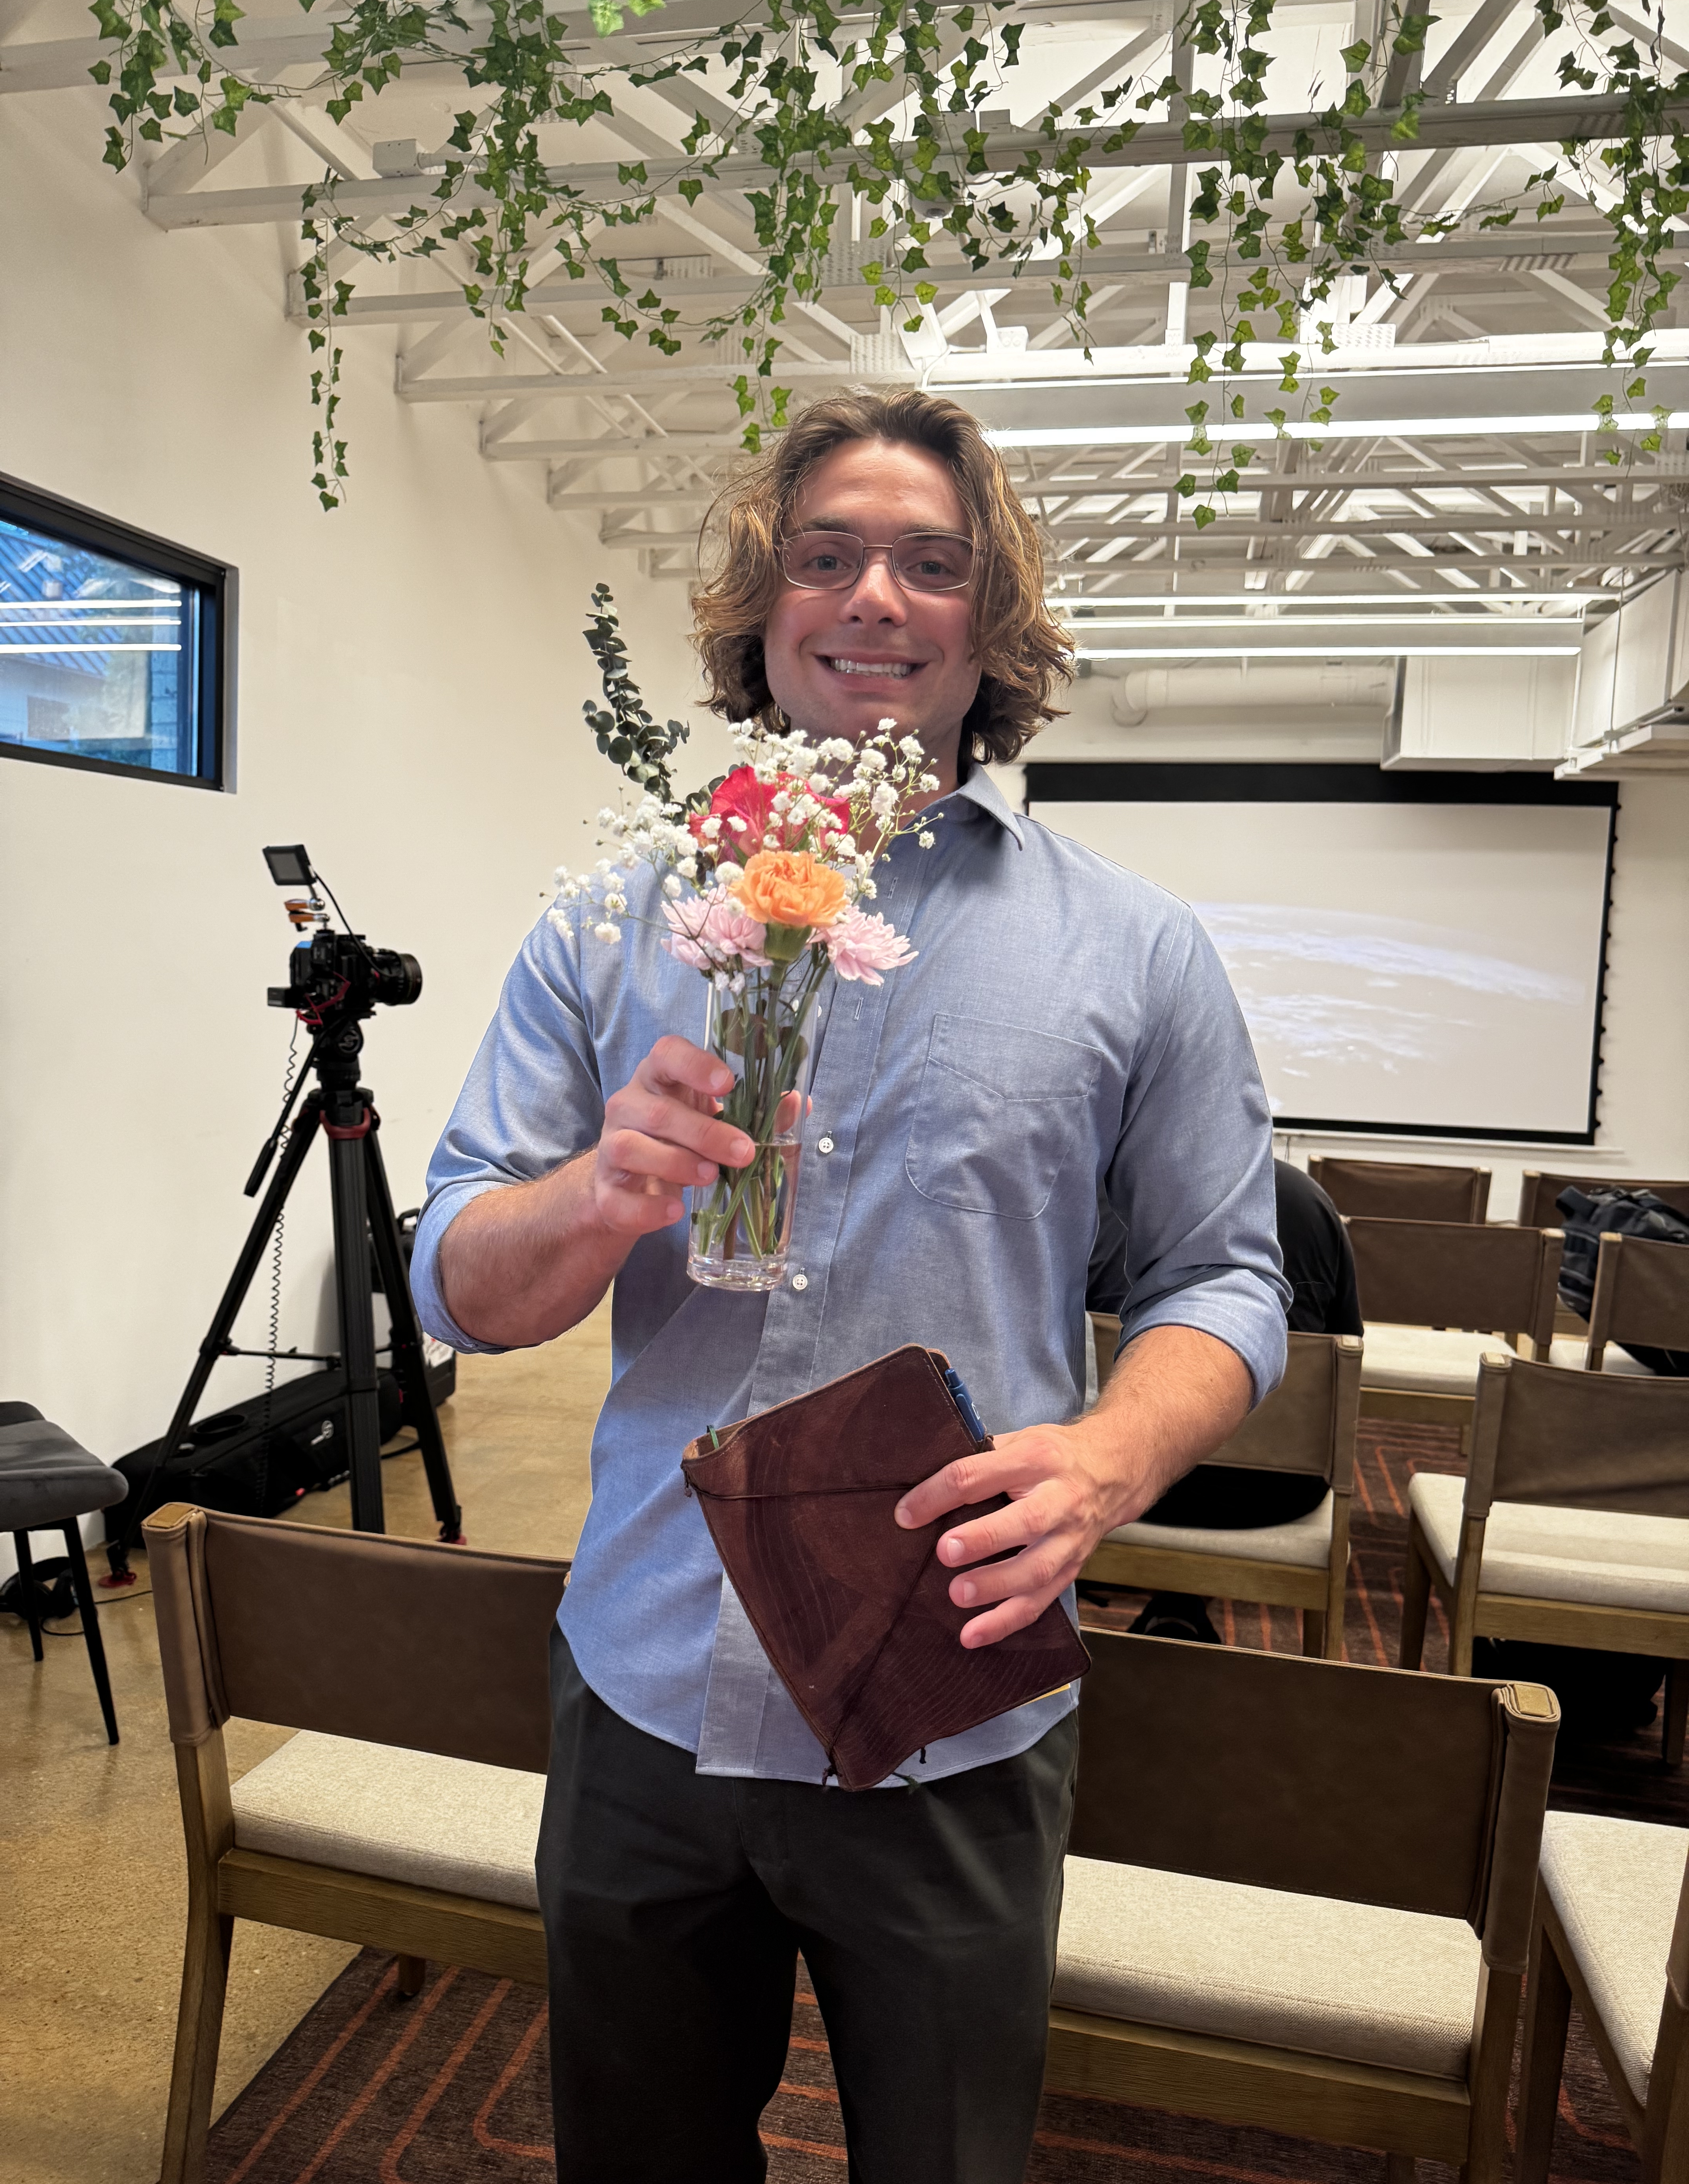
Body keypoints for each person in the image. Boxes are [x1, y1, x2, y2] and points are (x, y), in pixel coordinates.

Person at [409, 390, 1291, 2184]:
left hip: (945, 1687)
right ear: (764, 612)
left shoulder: (1135, 951)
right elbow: (458, 1285)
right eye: (825, 557)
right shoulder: (609, 924)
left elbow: (1226, 1278)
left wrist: (1111, 1457)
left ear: (993, 626)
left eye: (930, 565)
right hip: (646, 1680)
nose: (874, 597)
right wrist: (597, 1196)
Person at [1085, 1160, 1361, 1639]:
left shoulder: (1101, 1204)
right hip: (1274, 1494)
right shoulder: (1308, 1201)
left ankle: (1172, 1601)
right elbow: (1345, 1362)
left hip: (1126, 1482)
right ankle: (1182, 1603)